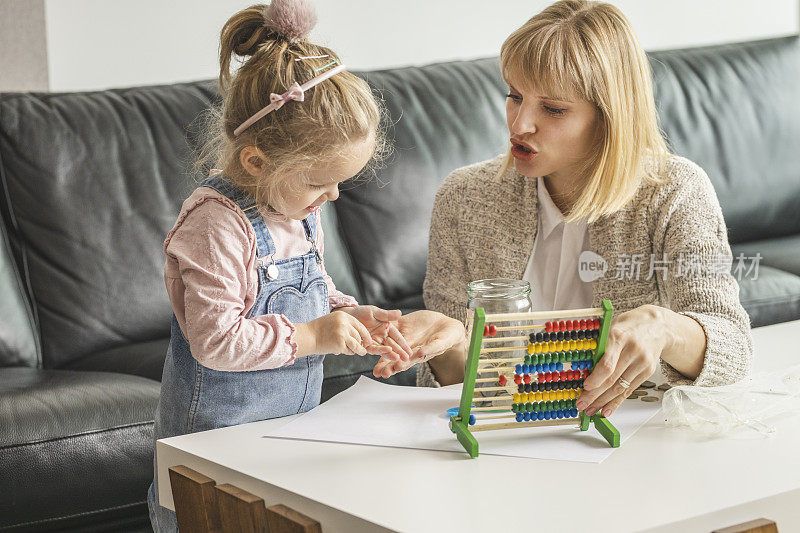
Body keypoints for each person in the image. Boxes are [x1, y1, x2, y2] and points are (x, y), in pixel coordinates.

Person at [144, 1, 458, 529]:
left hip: (281, 444)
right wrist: (315, 336)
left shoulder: (294, 208)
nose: (332, 196)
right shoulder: (215, 226)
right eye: (319, 182)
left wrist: (352, 315)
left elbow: (313, 290)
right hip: (211, 464)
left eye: (341, 183)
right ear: (256, 163)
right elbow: (216, 342)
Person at [374, 0, 753, 419]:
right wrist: (445, 350)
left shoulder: (675, 192)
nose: (519, 124)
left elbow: (733, 350)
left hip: (637, 435)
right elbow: (447, 384)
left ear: (610, 117)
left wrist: (665, 328)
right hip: (502, 439)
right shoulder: (463, 198)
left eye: (552, 108)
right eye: (514, 96)